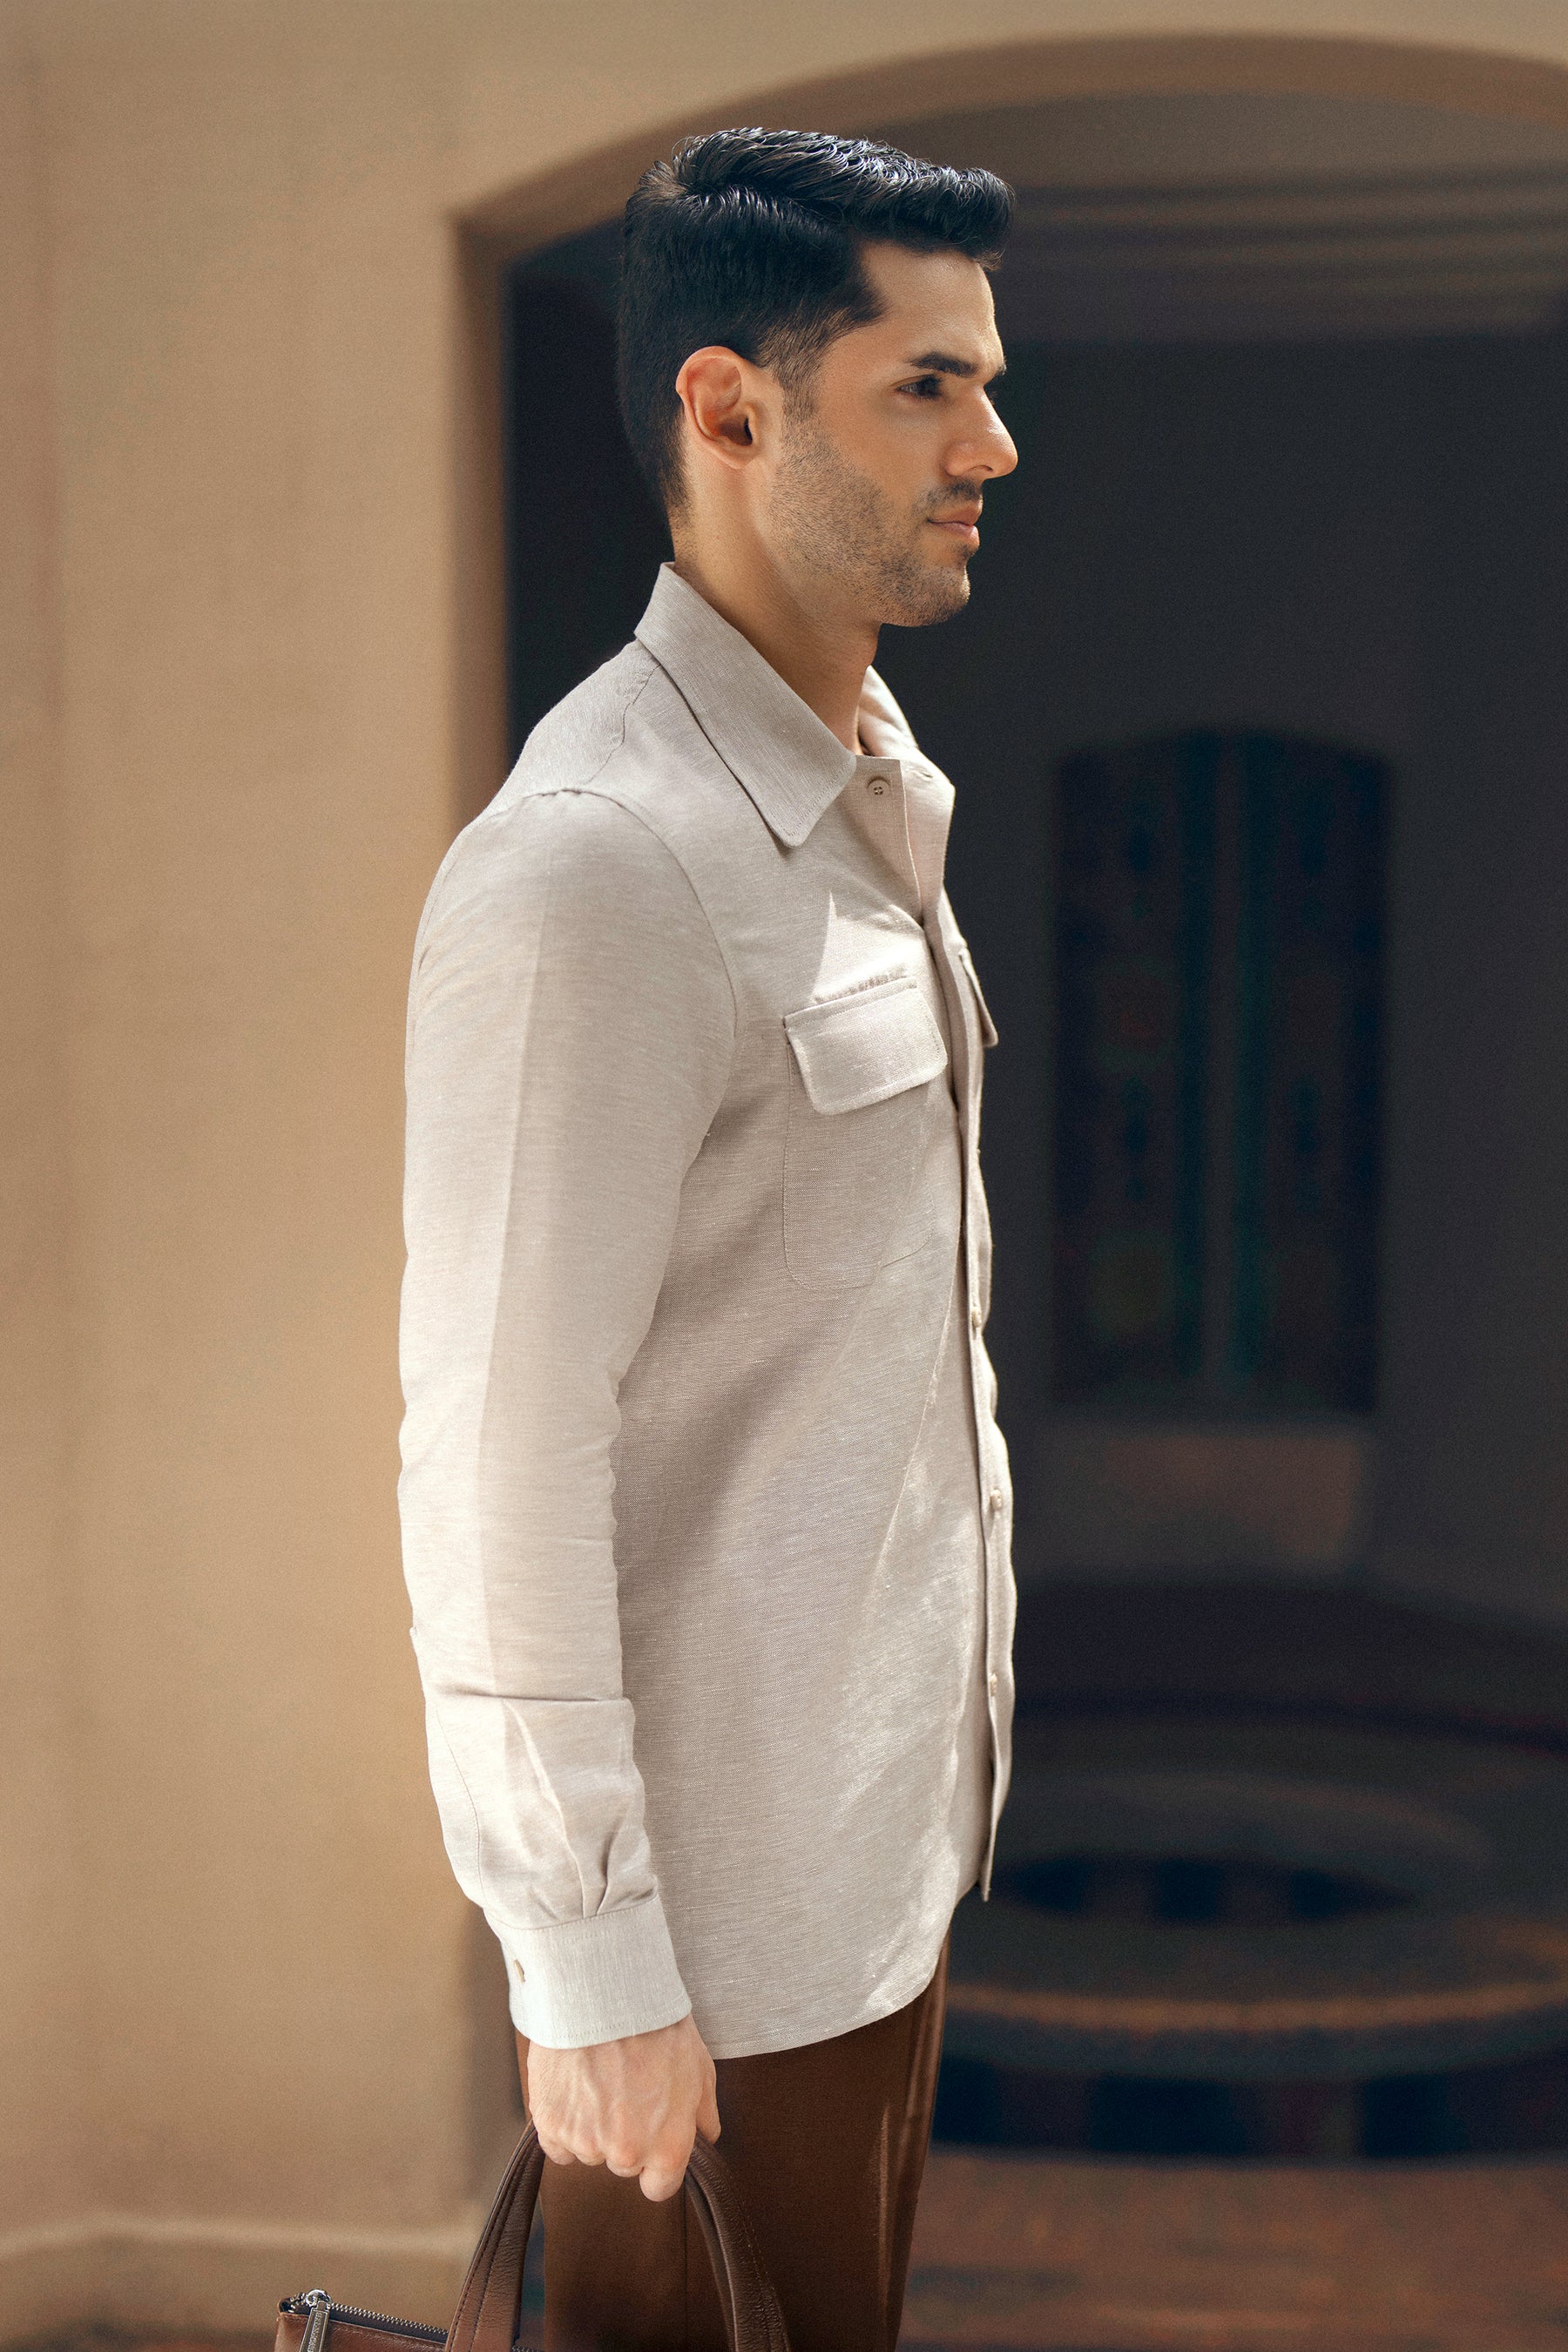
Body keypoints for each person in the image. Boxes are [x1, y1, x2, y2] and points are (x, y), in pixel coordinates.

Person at [397, 126, 1019, 2352]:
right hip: (710, 1965)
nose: (992, 447)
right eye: (927, 388)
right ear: (731, 411)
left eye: (987, 383)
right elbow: (496, 1454)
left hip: (871, 1882)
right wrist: (588, 1966)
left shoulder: (862, 796)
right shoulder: (599, 866)